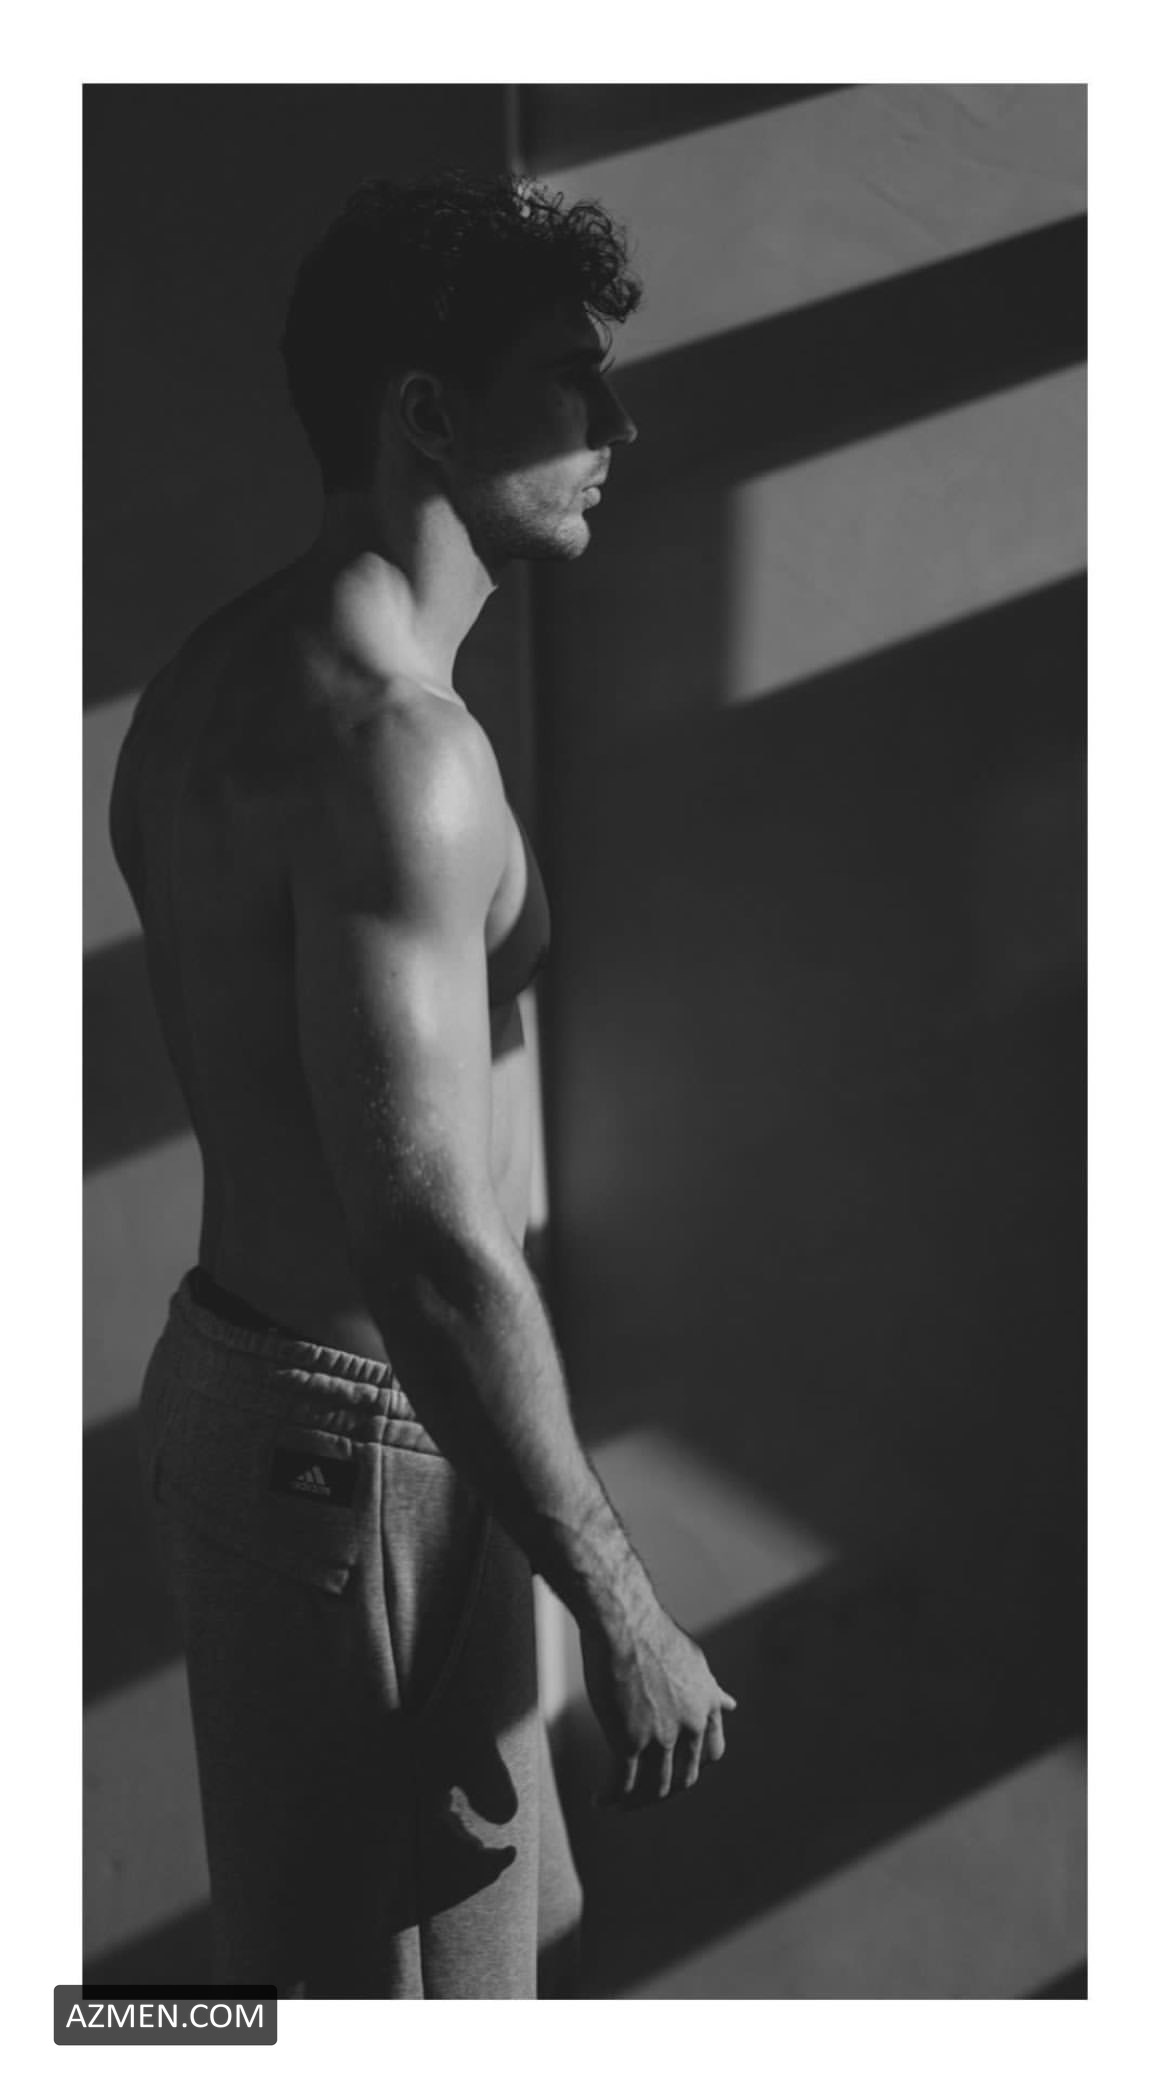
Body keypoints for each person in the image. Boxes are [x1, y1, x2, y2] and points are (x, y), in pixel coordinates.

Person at [109, 169, 736, 2001]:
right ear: (429, 418)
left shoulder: (208, 691)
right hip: (361, 1446)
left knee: (434, 1958)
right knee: (387, 2020)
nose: (615, 426)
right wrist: (623, 1608)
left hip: (254, 1392)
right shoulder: (401, 755)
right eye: (568, 382)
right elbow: (427, 1240)